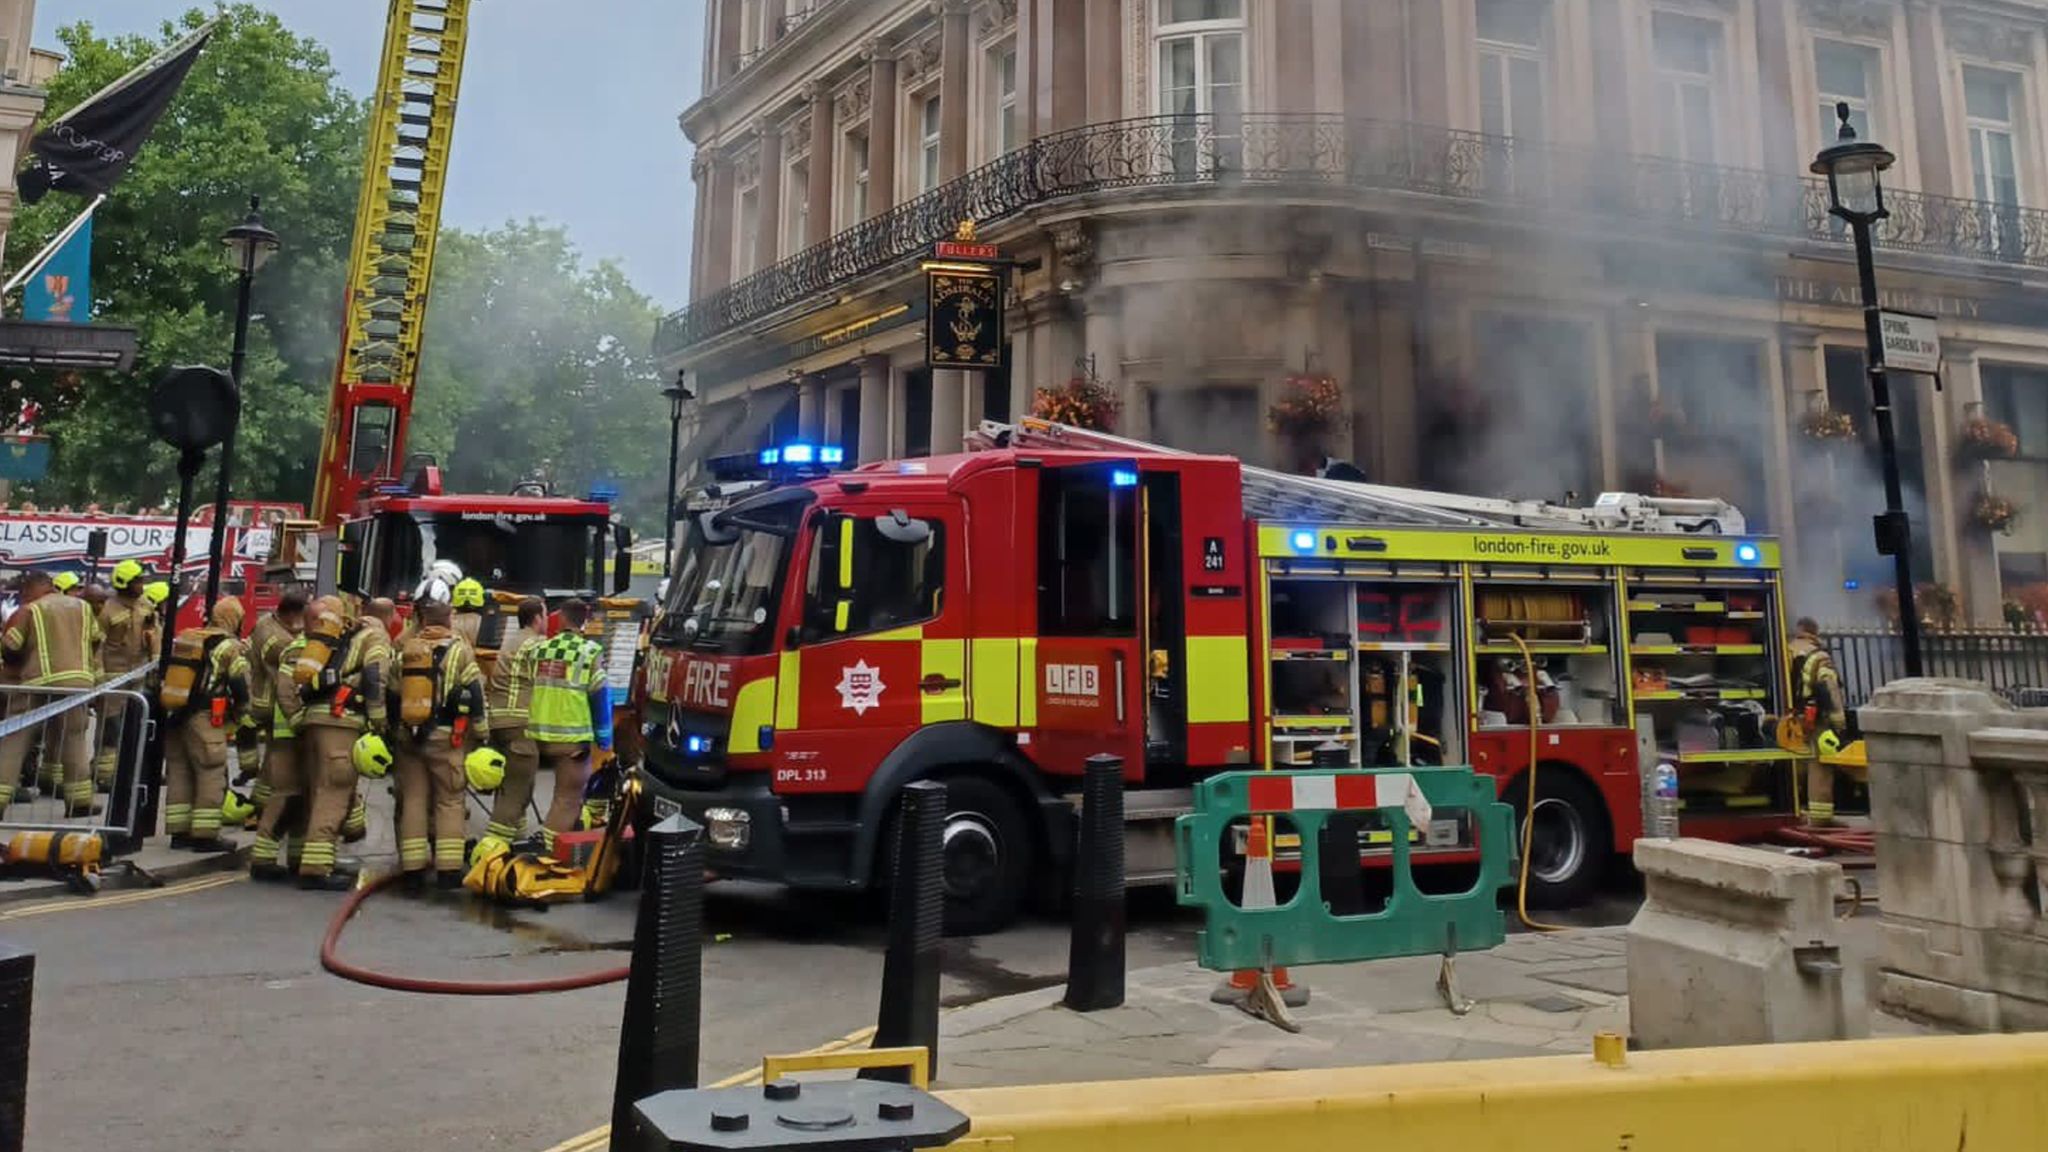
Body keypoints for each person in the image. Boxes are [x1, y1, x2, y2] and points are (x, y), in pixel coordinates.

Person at [290, 598, 386, 890]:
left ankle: (312, 860)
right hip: (341, 721)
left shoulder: (334, 638)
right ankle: (316, 870)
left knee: (320, 790)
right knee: (334, 793)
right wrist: (379, 720)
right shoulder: (374, 637)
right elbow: (374, 676)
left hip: (315, 720)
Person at [388, 600, 484, 888]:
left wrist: (394, 731)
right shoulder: (459, 650)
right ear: (450, 619)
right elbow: (474, 692)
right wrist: (482, 733)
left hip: (409, 736)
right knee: (450, 800)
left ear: (424, 619)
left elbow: (392, 695)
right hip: (446, 735)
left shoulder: (406, 649)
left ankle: (413, 869)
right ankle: (449, 870)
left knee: (414, 799)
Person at [0, 571, 103, 815]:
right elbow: (97, 639)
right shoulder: (83, 607)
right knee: (74, 739)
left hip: (38, 681)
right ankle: (79, 803)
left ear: (30, 589)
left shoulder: (29, 610)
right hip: (77, 682)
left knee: (15, 740)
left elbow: (11, 647)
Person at [159, 598, 249, 852]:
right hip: (206, 716)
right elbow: (240, 683)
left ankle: (179, 833)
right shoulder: (230, 647)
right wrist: (242, 713)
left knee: (179, 772)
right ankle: (205, 835)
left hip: (176, 714)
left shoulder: (188, 637)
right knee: (211, 773)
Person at [526, 598, 612, 857]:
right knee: (568, 798)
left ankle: (561, 846)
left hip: (539, 733)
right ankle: (550, 855)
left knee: (559, 795)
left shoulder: (541, 650)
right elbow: (600, 696)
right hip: (571, 738)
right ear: (584, 620)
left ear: (561, 618)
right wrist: (604, 738)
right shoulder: (589, 652)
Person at [480, 597, 547, 853]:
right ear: (537, 618)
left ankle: (516, 841)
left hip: (498, 721)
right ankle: (491, 852)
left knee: (510, 783)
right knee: (517, 789)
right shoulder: (536, 644)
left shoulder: (511, 639)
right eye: (545, 614)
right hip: (520, 723)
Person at [93, 559, 159, 790]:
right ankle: (103, 774)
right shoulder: (107, 610)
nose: (142, 585)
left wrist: (155, 668)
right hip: (113, 678)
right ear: (125, 583)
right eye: (138, 581)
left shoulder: (146, 606)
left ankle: (130, 770)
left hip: (138, 676)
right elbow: (96, 646)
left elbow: (154, 638)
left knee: (135, 726)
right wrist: (99, 678)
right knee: (110, 727)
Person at [242, 591, 308, 819]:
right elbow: (297, 660)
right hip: (269, 702)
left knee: (272, 757)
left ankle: (259, 803)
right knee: (277, 759)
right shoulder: (280, 640)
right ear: (291, 614)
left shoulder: (266, 623)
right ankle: (265, 808)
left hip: (261, 697)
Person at [1790, 617, 1849, 827]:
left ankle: (1794, 812)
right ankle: (1820, 819)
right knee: (1820, 766)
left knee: (1793, 765)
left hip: (1789, 720)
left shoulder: (1786, 650)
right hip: (1815, 720)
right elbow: (1828, 688)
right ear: (1815, 632)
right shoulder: (1819, 657)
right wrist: (1839, 723)